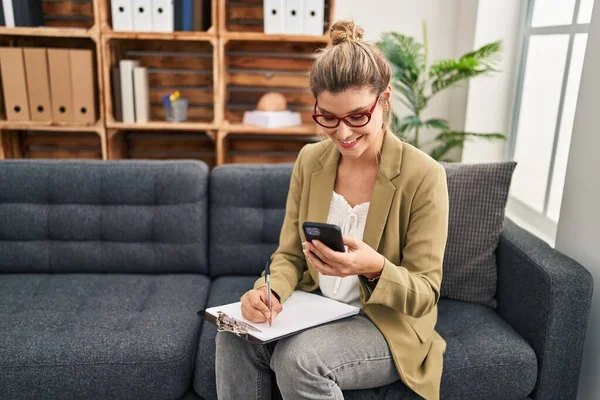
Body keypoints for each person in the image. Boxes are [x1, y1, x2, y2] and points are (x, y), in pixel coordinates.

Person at [215, 20, 449, 400]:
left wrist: (373, 267)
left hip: (384, 323)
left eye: (358, 116)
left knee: (299, 359)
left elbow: (425, 293)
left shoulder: (424, 175)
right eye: (327, 117)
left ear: (384, 100)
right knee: (234, 334)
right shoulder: (310, 160)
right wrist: (268, 293)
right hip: (316, 306)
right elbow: (289, 255)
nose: (343, 133)